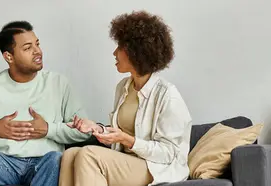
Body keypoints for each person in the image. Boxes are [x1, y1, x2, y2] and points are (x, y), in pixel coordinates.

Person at [59, 10, 193, 186]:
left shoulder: (168, 95)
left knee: (89, 155)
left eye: (120, 47)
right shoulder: (123, 87)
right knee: (70, 155)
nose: (115, 53)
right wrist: (96, 128)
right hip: (127, 162)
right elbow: (119, 134)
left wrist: (127, 140)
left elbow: (169, 153)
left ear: (137, 52)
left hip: (156, 168)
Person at [0, 20, 91, 186]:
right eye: (27, 48)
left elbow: (85, 131)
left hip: (45, 164)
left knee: (56, 159)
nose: (37, 51)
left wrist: (48, 129)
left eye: (37, 44)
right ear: (9, 56)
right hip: (3, 165)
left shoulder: (59, 84)